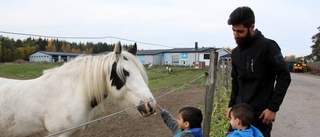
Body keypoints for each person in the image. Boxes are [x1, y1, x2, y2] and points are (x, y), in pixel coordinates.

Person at [225, 6, 291, 137]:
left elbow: (284, 76)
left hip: (261, 115)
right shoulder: (235, 53)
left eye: (240, 31)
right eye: (233, 31)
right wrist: (231, 105)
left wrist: (273, 108)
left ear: (251, 27)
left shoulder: (268, 47)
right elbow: (235, 80)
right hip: (239, 113)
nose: (236, 35)